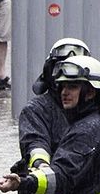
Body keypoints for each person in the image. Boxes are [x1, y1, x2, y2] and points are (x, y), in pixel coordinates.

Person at [0, 55, 100, 194]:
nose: (64, 92)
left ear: (91, 92)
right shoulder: (89, 125)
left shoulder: (89, 130)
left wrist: (23, 183)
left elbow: (61, 178)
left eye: (73, 86)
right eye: (63, 86)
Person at [15, 37, 89, 174]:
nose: (66, 85)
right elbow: (34, 142)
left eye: (74, 82)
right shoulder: (35, 110)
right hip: (43, 188)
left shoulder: (95, 115)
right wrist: (42, 165)